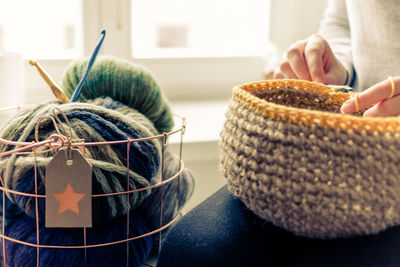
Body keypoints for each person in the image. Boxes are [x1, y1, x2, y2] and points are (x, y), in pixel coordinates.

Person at [156, 1, 400, 266]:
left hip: (387, 177)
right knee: (188, 252)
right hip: (347, 139)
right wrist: (339, 65)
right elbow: (342, 22)